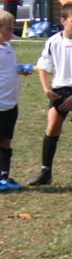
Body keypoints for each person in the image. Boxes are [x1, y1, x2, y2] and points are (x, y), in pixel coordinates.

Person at [27, 1, 72, 188]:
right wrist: (46, 90)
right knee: (51, 128)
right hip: (59, 91)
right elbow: (43, 66)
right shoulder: (53, 41)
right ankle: (45, 171)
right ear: (63, 21)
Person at [0, 10, 25, 191]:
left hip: (10, 103)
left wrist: (19, 69)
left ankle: (4, 176)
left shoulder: (8, 47)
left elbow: (8, 69)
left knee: (7, 140)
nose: (11, 32)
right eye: (8, 29)